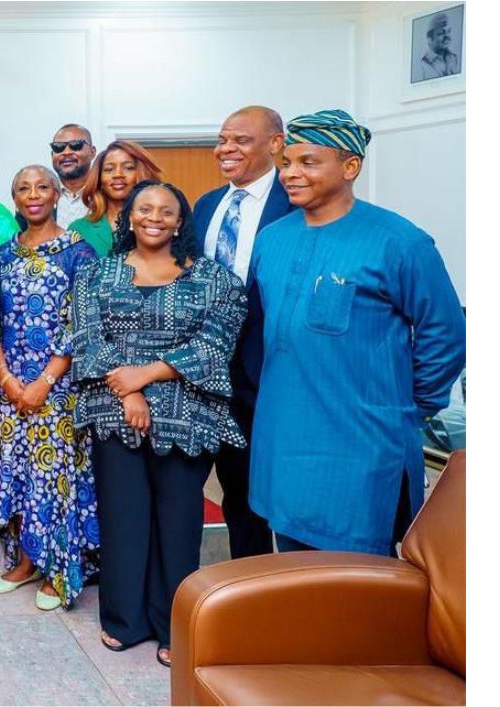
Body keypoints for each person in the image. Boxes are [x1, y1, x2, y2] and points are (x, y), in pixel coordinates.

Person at [248, 109, 465, 556]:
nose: (291, 173)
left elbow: (445, 334)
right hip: (282, 443)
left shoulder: (399, 241)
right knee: (293, 580)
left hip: (362, 451)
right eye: (286, 162)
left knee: (357, 594)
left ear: (350, 167)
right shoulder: (272, 238)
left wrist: (405, 407)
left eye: (308, 162)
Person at [73, 180, 248, 669]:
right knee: (124, 518)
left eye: (165, 211)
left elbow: (215, 343)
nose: (153, 217)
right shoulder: (96, 275)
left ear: (179, 222)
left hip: (187, 414)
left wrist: (145, 375)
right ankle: (124, 621)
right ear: (128, 217)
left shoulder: (214, 279)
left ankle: (174, 624)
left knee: (178, 523)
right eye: (144, 209)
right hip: (113, 409)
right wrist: (129, 391)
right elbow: (87, 336)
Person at [0, 164, 99, 613]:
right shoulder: (3, 253)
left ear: (55, 194)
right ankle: (25, 561)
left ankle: (57, 569)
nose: (33, 195)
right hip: (7, 387)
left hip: (57, 388)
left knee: (53, 477)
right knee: (16, 472)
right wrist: (6, 377)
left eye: (42, 186)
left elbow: (83, 324)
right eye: (23, 188)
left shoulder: (78, 253)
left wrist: (44, 382)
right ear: (13, 197)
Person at [192, 106, 293, 560]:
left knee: (264, 494)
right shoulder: (207, 206)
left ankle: (271, 588)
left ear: (275, 144)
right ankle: (235, 584)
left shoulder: (295, 204)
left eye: (240, 140)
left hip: (268, 377)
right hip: (203, 377)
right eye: (222, 139)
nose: (225, 149)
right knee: (223, 492)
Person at [66, 139, 162, 257]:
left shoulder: (159, 224)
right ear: (99, 179)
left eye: (128, 168)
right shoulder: (79, 230)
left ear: (142, 174)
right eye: (109, 169)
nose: (118, 174)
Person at [49, 123, 97, 227]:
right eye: (58, 147)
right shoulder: (42, 195)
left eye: (75, 146)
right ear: (52, 155)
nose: (66, 152)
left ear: (92, 152)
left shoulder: (105, 192)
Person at [415, 13, 461, 81]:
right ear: (430, 37)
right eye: (441, 33)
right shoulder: (422, 64)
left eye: (448, 31)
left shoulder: (455, 58)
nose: (447, 36)